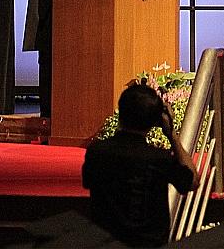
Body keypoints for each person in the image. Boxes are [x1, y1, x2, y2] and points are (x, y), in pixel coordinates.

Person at [82, 80, 195, 247]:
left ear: (120, 112)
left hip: (105, 243)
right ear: (156, 120)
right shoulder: (159, 158)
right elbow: (191, 182)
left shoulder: (97, 152)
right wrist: (172, 135)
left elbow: (88, 182)